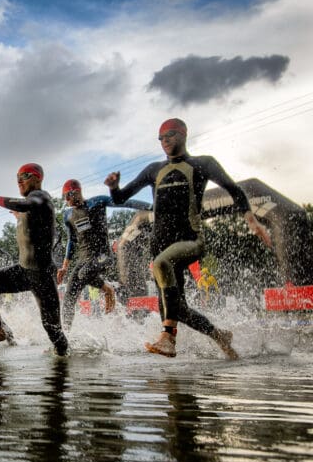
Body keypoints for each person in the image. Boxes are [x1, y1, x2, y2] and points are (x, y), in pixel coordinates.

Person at [104, 118, 271, 359]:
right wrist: (113, 187)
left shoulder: (202, 164)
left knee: (163, 264)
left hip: (191, 240)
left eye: (170, 135)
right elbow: (120, 199)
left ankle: (168, 338)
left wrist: (251, 219)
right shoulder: (154, 170)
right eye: (161, 138)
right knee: (175, 307)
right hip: (160, 245)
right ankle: (219, 336)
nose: (165, 141)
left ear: (183, 134)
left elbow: (233, 189)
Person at [0, 163, 68, 354]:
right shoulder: (27, 209)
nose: (19, 180)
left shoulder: (40, 197)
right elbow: (29, 217)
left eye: (25, 175)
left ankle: (64, 367)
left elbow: (27, 204)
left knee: (53, 331)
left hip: (42, 276)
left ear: (38, 178)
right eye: (17, 176)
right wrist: (18, 215)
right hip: (23, 271)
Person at [57, 179, 151, 328]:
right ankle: (64, 336)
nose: (66, 200)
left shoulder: (97, 202)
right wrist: (64, 266)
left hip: (103, 256)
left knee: (84, 273)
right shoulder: (68, 215)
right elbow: (72, 240)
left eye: (68, 196)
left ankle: (108, 289)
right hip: (84, 260)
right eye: (64, 197)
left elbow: (125, 202)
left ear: (77, 192)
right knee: (69, 296)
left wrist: (151, 207)